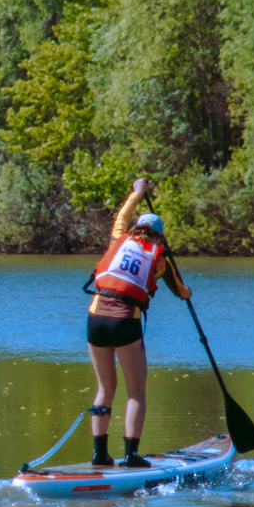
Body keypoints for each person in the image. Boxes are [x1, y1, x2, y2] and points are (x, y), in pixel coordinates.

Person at [83, 177, 190, 468]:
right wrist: (187, 291)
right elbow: (180, 291)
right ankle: (130, 456)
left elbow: (120, 217)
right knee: (136, 391)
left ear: (136, 230)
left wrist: (137, 193)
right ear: (158, 236)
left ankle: (99, 455)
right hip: (124, 322)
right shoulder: (159, 258)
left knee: (105, 389)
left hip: (95, 318)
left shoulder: (119, 238)